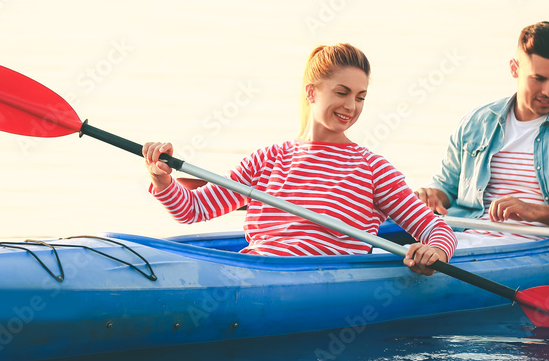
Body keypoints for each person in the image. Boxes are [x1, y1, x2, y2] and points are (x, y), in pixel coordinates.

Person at [143, 44, 456, 275]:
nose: (351, 106)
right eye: (342, 92)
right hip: (257, 271)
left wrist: (435, 252)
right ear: (311, 92)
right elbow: (193, 210)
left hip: (325, 283)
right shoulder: (267, 159)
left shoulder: (373, 168)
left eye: (360, 97)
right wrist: (162, 178)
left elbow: (436, 229)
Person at [416, 22, 549, 237]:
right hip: (460, 238)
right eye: (539, 79)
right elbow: (446, 186)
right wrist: (432, 195)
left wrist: (535, 211)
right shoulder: (476, 123)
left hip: (536, 249)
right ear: (515, 68)